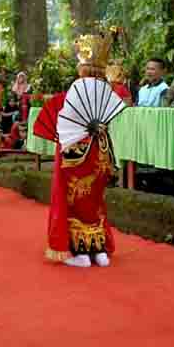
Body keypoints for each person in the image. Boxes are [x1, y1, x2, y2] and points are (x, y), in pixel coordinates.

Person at [44, 32, 120, 268]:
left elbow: (67, 119)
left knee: (73, 198)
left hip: (76, 148)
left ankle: (80, 252)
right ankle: (99, 251)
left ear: (82, 67)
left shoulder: (78, 86)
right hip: (100, 148)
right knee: (95, 198)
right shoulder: (106, 87)